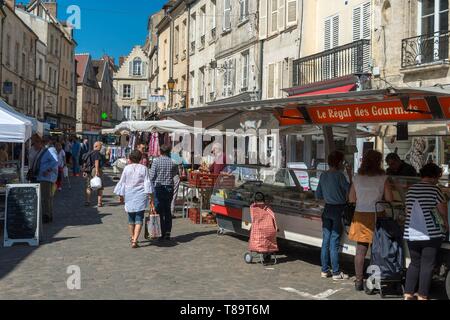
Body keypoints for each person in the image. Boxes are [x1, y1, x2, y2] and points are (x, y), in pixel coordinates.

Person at [348, 150, 393, 291]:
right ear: (379, 162)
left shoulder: (357, 177)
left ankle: (359, 281)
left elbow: (351, 199)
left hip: (361, 215)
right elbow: (390, 199)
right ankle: (373, 281)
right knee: (377, 251)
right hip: (377, 215)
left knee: (360, 251)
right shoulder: (383, 178)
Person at [403, 163, 449, 300]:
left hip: (411, 232)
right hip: (431, 233)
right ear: (434, 176)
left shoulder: (410, 190)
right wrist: (446, 223)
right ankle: (422, 295)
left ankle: (408, 293)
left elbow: (407, 210)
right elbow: (442, 210)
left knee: (414, 263)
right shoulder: (435, 190)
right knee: (427, 265)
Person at [315, 151, 351, 281]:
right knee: (334, 241)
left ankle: (324, 270)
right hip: (338, 210)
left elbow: (318, 195)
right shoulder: (340, 176)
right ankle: (336, 272)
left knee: (326, 241)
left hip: (327, 209)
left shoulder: (323, 175)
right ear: (339, 162)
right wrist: (350, 174)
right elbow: (350, 191)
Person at [114, 150, 152, 248]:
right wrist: (150, 196)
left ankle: (132, 237)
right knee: (139, 217)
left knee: (131, 218)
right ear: (140, 159)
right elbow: (147, 183)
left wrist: (121, 195)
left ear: (130, 158)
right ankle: (135, 239)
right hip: (141, 195)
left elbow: (122, 182)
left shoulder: (127, 168)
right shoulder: (144, 168)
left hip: (129, 194)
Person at [149, 144, 179, 241]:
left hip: (159, 187)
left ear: (160, 152)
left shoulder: (156, 162)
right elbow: (175, 174)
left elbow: (151, 176)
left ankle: (161, 232)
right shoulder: (173, 162)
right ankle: (167, 232)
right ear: (169, 152)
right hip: (169, 187)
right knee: (167, 210)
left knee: (159, 210)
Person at [29, 135, 58, 223]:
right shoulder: (42, 151)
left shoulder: (50, 150)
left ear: (41, 143)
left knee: (46, 197)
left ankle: (47, 216)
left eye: (35, 144)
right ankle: (46, 215)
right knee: (44, 197)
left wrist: (48, 170)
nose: (34, 146)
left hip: (46, 178)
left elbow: (55, 161)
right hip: (41, 177)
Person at [83, 141, 105, 207]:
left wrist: (84, 171)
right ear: (96, 146)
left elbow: (85, 163)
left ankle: (88, 201)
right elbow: (96, 161)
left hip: (89, 171)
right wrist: (97, 171)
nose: (101, 148)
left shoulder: (89, 153)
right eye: (100, 146)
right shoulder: (97, 153)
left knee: (89, 186)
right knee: (99, 186)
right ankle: (99, 202)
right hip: (95, 169)